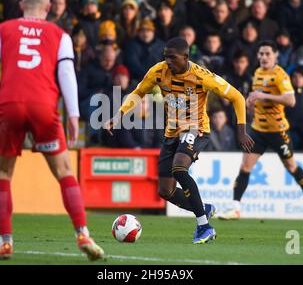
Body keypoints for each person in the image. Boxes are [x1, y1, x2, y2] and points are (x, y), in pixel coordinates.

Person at [0, 0, 104, 261]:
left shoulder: (1, 30)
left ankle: (6, 242)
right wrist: (73, 114)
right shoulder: (60, 34)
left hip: (10, 103)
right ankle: (82, 232)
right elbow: (68, 74)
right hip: (44, 106)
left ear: (22, 5)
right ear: (49, 7)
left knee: (2, 173)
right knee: (64, 171)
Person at [104, 37, 254, 244]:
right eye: (166, 57)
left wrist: (241, 131)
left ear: (185, 57)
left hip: (197, 129)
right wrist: (118, 115)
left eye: (172, 58)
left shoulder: (202, 76)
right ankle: (204, 209)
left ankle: (204, 227)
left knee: (179, 168)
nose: (168, 62)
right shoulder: (158, 71)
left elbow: (237, 97)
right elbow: (138, 92)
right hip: (171, 133)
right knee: (165, 191)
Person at [219, 40, 303, 221]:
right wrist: (251, 103)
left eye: (267, 54)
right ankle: (235, 208)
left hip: (278, 130)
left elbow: (291, 100)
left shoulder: (281, 76)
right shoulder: (257, 73)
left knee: (291, 166)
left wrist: (262, 95)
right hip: (258, 130)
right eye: (261, 54)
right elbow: (259, 100)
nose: (264, 57)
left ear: (275, 55)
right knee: (245, 167)